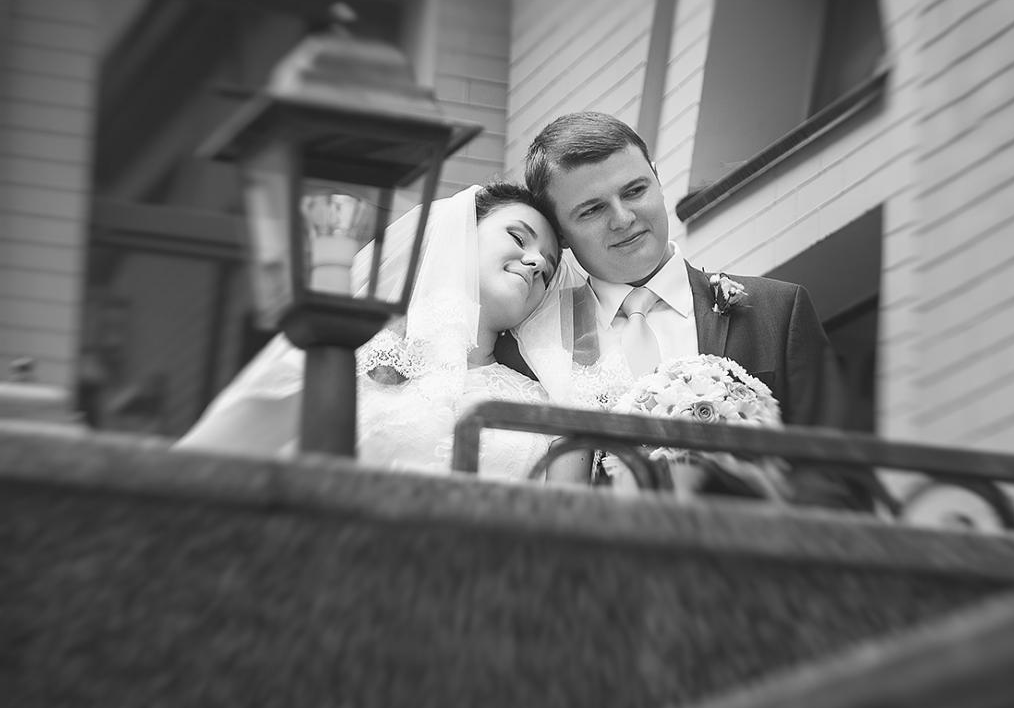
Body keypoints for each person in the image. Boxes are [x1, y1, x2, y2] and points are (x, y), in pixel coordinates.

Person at [495, 111, 871, 512]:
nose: (623, 219)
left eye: (635, 190)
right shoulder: (527, 349)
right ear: (561, 234)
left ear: (658, 179)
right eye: (592, 210)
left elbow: (838, 478)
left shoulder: (778, 311)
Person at [177, 181, 592, 484]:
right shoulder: (342, 356)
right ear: (459, 233)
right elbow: (226, 457)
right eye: (518, 237)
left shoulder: (544, 406)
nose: (537, 262)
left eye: (548, 268)